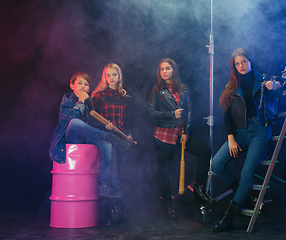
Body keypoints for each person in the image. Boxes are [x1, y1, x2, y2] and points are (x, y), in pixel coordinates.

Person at [211, 48, 281, 233]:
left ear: (250, 61)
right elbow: (227, 116)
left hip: (260, 130)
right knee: (216, 164)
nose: (241, 66)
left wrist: (276, 86)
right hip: (239, 133)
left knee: (246, 174)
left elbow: (277, 99)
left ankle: (228, 218)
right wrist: (231, 138)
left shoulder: (264, 79)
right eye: (237, 63)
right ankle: (245, 195)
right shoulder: (232, 86)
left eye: (244, 62)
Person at [49, 72, 130, 225]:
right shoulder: (67, 100)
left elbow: (91, 124)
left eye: (86, 84)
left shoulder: (89, 101)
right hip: (71, 138)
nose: (83, 87)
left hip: (86, 138)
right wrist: (80, 100)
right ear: (72, 85)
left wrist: (107, 125)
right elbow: (70, 119)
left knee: (106, 146)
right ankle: (109, 137)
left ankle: (104, 183)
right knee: (74, 123)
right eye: (80, 83)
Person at [148, 58, 214, 220]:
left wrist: (186, 132)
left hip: (179, 133)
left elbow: (189, 111)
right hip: (163, 135)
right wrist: (172, 114)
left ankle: (199, 189)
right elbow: (151, 113)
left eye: (168, 68)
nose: (164, 71)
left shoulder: (183, 89)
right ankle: (168, 204)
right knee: (164, 171)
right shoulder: (157, 89)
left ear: (174, 70)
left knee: (205, 151)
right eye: (162, 69)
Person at [91, 63, 132, 225]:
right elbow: (92, 122)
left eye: (115, 74)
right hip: (107, 139)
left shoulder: (125, 98)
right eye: (109, 75)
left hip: (122, 140)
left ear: (119, 76)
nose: (112, 78)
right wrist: (104, 126)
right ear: (105, 77)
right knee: (110, 177)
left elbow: (128, 123)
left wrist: (129, 135)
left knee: (118, 176)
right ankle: (111, 214)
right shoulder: (98, 96)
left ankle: (118, 213)